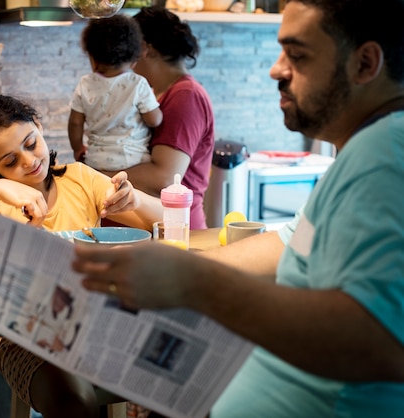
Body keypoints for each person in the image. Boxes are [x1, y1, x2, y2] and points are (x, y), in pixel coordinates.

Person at [73, 1, 404, 417]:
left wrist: (192, 283)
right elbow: (289, 245)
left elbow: (379, 341)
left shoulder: (388, 155)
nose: (276, 69)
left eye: (297, 55)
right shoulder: (360, 154)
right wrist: (164, 263)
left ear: (365, 63)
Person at [0, 94, 163, 418]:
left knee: (175, 381)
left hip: (100, 320)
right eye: (9, 162)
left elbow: (164, 220)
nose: (29, 162)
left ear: (39, 126)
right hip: (24, 336)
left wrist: (135, 201)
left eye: (31, 144)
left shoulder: (79, 178)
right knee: (75, 404)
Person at [101, 6, 215, 230]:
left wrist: (94, 174)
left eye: (129, 48)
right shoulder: (154, 96)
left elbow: (164, 177)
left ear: (145, 48)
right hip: (153, 228)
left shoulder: (186, 96)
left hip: (175, 231)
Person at [68, 14, 163, 171]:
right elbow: (154, 120)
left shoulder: (85, 83)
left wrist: (77, 148)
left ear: (93, 58)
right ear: (134, 60)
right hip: (133, 160)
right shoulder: (138, 83)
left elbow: (75, 123)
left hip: (95, 162)